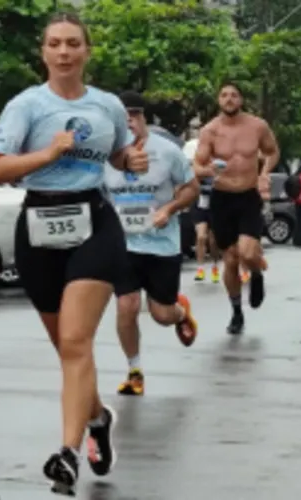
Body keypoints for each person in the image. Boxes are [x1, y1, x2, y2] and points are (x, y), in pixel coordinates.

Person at [0, 13, 146, 492]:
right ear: (44, 52)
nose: (64, 52)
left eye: (73, 43)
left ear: (87, 51)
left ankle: (67, 454)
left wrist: (129, 161)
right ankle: (97, 420)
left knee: (76, 343)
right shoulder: (26, 106)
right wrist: (47, 156)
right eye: (55, 44)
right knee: (69, 352)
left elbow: (118, 154)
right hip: (37, 226)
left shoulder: (108, 105)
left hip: (94, 222)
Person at [105, 90, 201, 397]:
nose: (129, 122)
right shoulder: (106, 157)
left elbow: (191, 189)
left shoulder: (167, 151)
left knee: (161, 315)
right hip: (124, 246)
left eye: (133, 115)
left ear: (144, 118)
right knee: (126, 305)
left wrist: (169, 209)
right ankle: (134, 371)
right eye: (122, 118)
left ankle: (181, 313)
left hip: (162, 245)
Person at [193, 82, 279, 335]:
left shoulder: (257, 126)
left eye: (234, 95)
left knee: (248, 253)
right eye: (224, 95)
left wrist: (265, 172)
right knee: (230, 260)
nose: (229, 99)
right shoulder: (210, 130)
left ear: (241, 99)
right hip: (222, 198)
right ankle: (236, 311)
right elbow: (197, 165)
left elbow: (272, 151)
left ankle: (256, 274)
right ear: (219, 100)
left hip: (248, 196)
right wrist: (207, 170)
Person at [183, 139, 221, 283]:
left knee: (213, 241)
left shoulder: (218, 164)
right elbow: (192, 176)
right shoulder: (196, 164)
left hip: (214, 205)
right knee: (201, 237)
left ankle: (215, 266)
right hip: (199, 204)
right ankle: (200, 269)